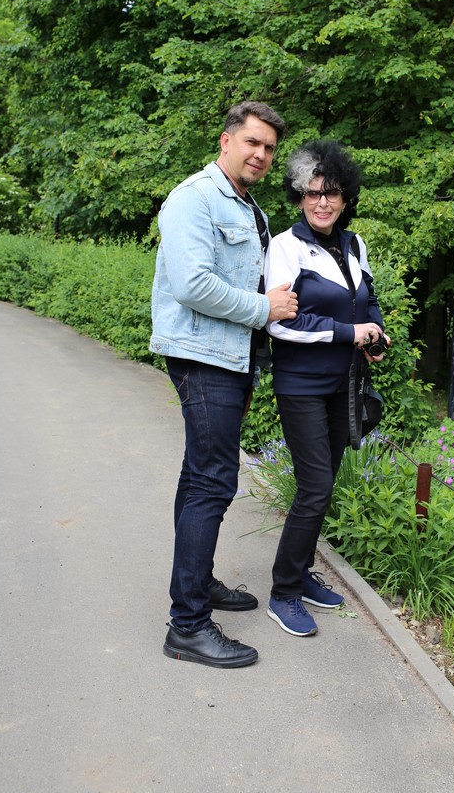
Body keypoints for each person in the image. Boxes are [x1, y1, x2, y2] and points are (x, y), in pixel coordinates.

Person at [150, 100, 298, 668]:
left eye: (269, 148)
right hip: (204, 358)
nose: (260, 154)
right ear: (226, 140)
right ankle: (187, 626)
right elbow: (191, 284)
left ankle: (197, 582)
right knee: (213, 482)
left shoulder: (245, 205)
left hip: (230, 358)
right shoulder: (194, 198)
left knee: (199, 477)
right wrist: (263, 308)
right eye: (252, 142)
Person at [263, 139, 389, 637]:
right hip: (301, 385)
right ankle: (283, 592)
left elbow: (367, 302)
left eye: (331, 193)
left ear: (344, 198)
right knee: (314, 487)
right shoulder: (285, 247)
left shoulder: (354, 245)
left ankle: (300, 574)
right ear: (299, 196)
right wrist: (347, 333)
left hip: (345, 385)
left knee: (324, 484)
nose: (322, 202)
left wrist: (376, 336)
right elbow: (281, 323)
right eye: (312, 192)